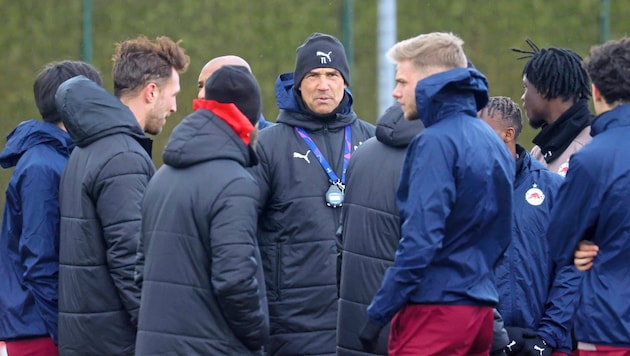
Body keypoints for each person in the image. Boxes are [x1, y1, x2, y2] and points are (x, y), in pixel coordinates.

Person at [358, 32, 514, 355]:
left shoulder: (435, 143)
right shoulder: (490, 141)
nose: (395, 92)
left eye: (402, 81)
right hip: (480, 312)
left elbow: (420, 241)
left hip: (435, 313)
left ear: (430, 82)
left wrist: (377, 314)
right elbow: (502, 235)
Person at [55, 35, 189, 355]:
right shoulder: (122, 157)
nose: (173, 107)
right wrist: (159, 337)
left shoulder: (89, 148)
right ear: (151, 91)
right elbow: (131, 260)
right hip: (116, 343)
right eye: (172, 96)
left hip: (91, 339)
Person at [251, 32, 375, 355]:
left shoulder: (374, 144)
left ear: (345, 82)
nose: (323, 85)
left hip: (363, 322)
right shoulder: (268, 146)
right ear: (298, 84)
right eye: (313, 76)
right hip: (292, 327)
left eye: (332, 75)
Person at [136, 65, 269, 354]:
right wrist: (258, 333)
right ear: (250, 119)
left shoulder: (161, 177)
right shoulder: (235, 183)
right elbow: (234, 280)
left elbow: (139, 271)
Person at [0, 61, 102, 356]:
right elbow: (39, 261)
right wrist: (68, 336)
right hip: (39, 332)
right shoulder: (41, 167)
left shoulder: (60, 157)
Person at [547, 36, 630, 355]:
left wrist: (590, 246)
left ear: (595, 91)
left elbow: (559, 240)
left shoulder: (592, 159)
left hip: (611, 322)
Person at [480, 96, 578, 356]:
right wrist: (495, 334)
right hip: (486, 344)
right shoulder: (466, 192)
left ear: (507, 134)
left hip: (547, 344)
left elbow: (570, 267)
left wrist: (548, 336)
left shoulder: (554, 189)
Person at [336, 104, 423, 355]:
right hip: (410, 329)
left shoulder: (363, 153)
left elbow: (341, 245)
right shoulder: (438, 161)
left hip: (358, 326)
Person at [513, 39, 593, 176]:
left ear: (545, 89)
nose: (523, 97)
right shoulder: (538, 153)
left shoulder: (592, 147)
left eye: (526, 88)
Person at [196, 55, 273, 129]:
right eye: (200, 86)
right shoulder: (193, 137)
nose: (201, 95)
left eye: (212, 85)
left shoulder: (279, 140)